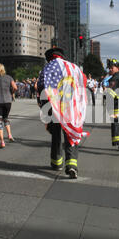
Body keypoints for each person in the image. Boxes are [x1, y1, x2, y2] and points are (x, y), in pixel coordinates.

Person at [37, 47, 88, 179]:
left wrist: (44, 108)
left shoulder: (47, 68)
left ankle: (56, 162)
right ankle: (71, 165)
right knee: (70, 135)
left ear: (49, 58)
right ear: (62, 56)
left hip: (54, 107)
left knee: (56, 135)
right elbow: (83, 83)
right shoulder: (75, 67)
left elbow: (41, 88)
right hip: (72, 107)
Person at [0, 64, 17, 148]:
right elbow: (15, 87)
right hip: (7, 101)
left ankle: (2, 141)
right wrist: (11, 92)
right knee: (6, 118)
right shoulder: (9, 77)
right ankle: (9, 135)